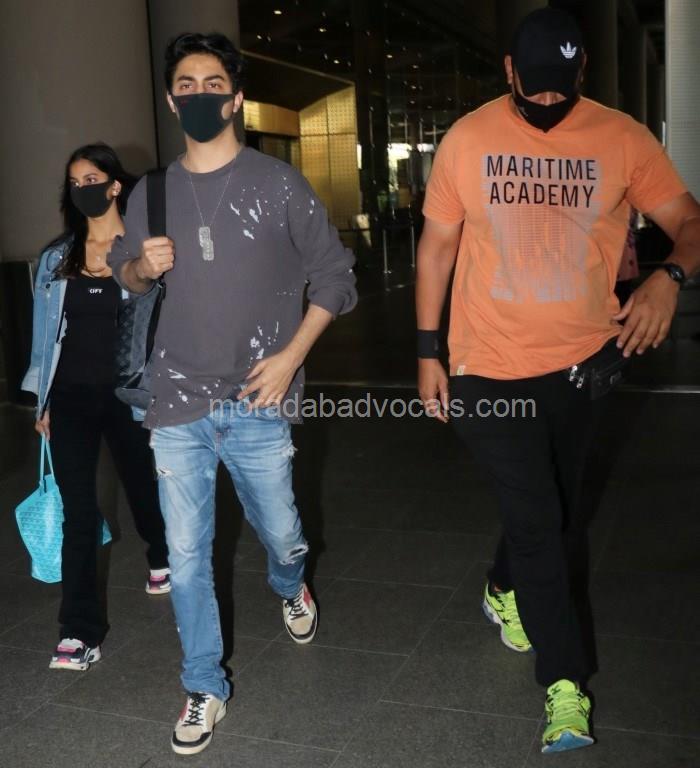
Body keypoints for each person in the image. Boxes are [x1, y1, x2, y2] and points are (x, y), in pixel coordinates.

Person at [416, 7, 700, 755]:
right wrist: (427, 352)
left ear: (582, 73)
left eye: (560, 87)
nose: (546, 100)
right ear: (508, 71)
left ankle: (501, 584)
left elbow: (690, 223)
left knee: (559, 509)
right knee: (542, 522)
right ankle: (565, 684)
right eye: (532, 85)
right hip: (486, 367)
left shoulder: (623, 138)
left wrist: (669, 277)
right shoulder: (468, 139)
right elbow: (437, 248)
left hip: (582, 365)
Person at [108, 33, 357, 756]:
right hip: (176, 401)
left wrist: (290, 358)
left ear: (236, 98)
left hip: (258, 397)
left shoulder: (279, 184)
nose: (199, 95)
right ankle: (204, 685)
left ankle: (290, 581)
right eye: (185, 85)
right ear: (171, 100)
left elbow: (336, 277)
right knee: (186, 555)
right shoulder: (152, 193)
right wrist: (141, 269)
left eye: (213, 83)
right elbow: (123, 274)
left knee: (282, 531)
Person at [22, 143, 170, 672]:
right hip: (70, 400)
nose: (82, 189)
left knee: (143, 487)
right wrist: (41, 401)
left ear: (114, 185)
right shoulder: (56, 258)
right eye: (74, 182)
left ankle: (161, 554)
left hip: (129, 395)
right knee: (78, 511)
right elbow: (43, 338)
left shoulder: (144, 252)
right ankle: (79, 631)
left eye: (92, 179)